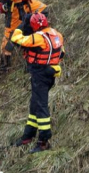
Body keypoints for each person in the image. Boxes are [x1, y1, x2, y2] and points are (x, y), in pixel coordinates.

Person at [11, 12, 64, 153]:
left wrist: (21, 26)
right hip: (49, 73)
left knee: (40, 107)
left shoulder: (38, 37)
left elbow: (16, 39)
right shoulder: (57, 34)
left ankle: (44, 141)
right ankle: (28, 135)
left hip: (40, 74)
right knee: (35, 105)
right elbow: (61, 54)